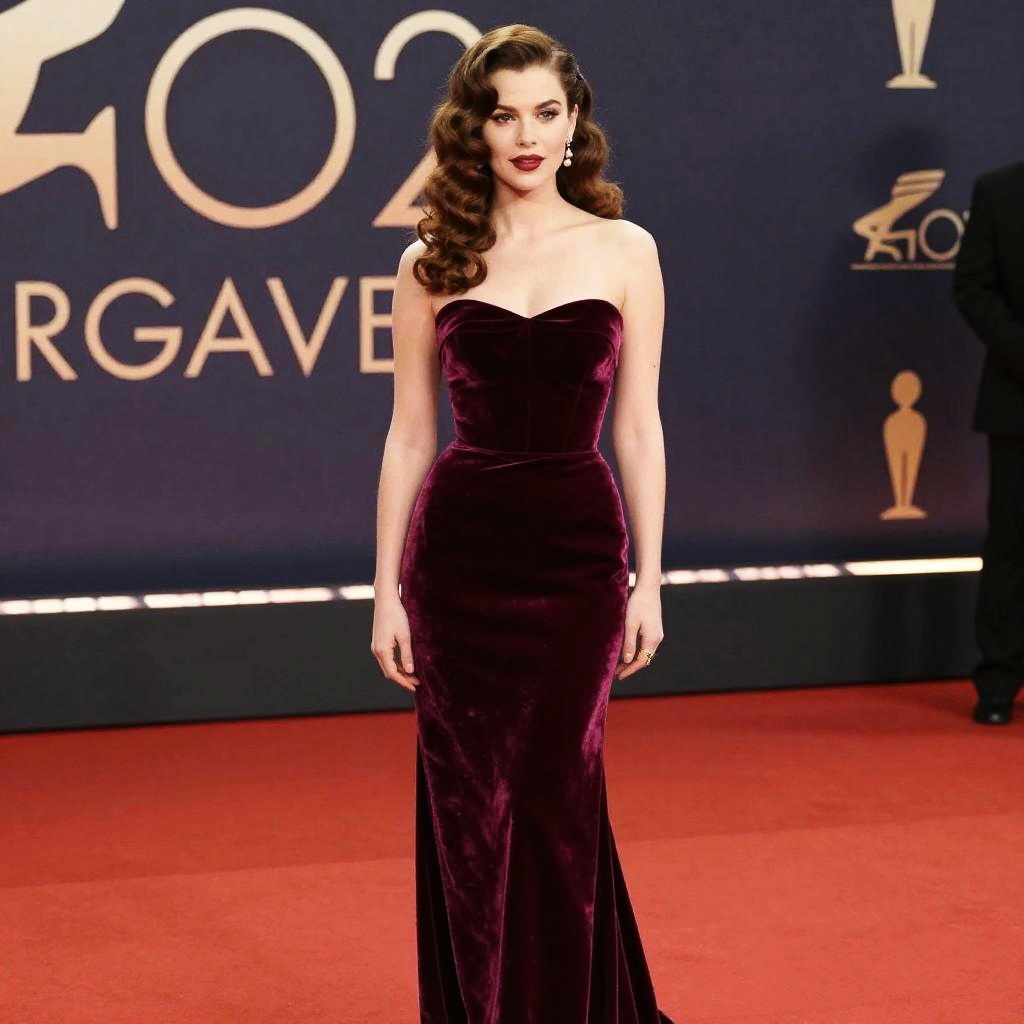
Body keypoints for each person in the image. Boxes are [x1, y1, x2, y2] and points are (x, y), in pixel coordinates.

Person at [371, 24, 674, 1022]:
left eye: (546, 112)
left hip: (578, 555)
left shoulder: (626, 250)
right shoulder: (432, 260)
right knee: (468, 807)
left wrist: (650, 579)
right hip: (459, 561)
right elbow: (409, 436)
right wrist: (386, 593)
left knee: (555, 790)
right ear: (477, 128)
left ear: (575, 120)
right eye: (505, 116)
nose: (528, 136)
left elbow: (639, 427)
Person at [953, 160, 1024, 726]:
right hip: (1018, 398)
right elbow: (973, 289)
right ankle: (999, 680)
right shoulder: (999, 191)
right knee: (1012, 543)